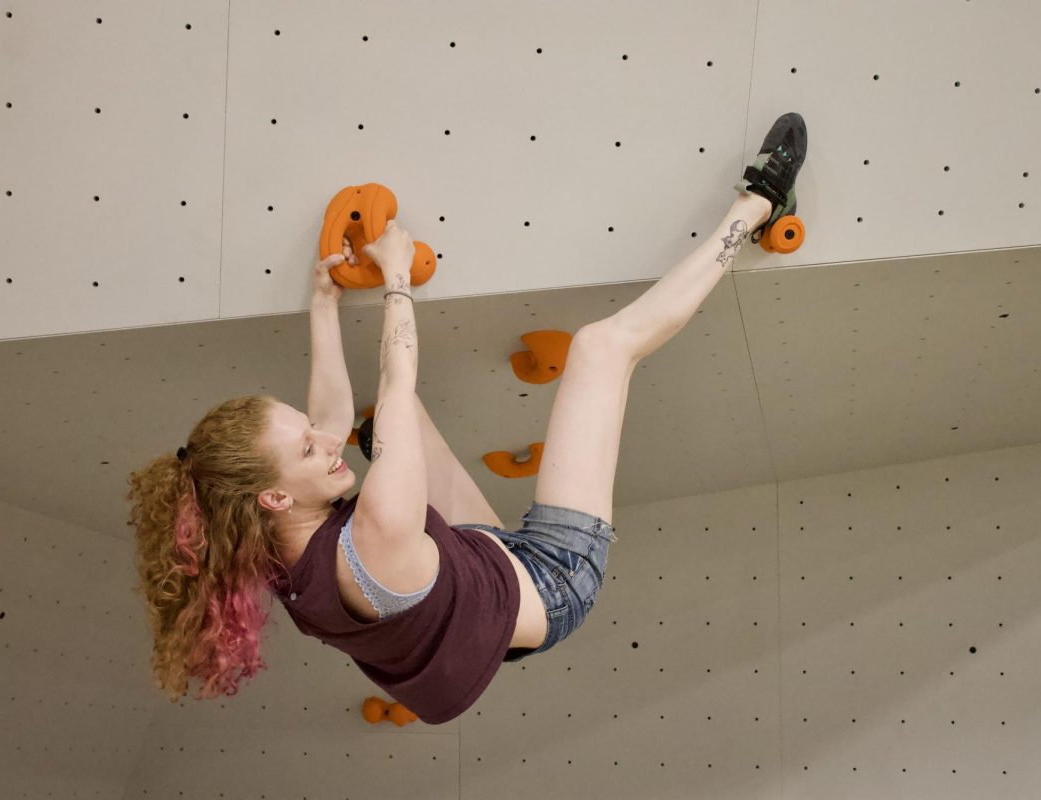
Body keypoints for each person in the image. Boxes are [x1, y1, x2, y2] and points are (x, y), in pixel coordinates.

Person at [128, 113, 807, 721]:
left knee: (378, 430)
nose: (323, 442)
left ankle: (458, 558)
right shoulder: (376, 530)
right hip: (551, 579)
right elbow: (398, 377)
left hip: (469, 583)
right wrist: (396, 274)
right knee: (600, 349)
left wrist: (323, 299)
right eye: (306, 451)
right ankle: (757, 204)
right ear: (275, 496)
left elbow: (330, 418)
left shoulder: (266, 541)